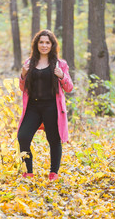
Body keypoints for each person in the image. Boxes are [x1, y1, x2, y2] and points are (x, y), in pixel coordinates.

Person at [17, 29, 73, 181]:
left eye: (47, 42)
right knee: (23, 136)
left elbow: (69, 88)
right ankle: (28, 172)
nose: (44, 45)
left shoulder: (60, 64)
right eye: (41, 42)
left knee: (54, 139)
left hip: (51, 107)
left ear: (52, 45)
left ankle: (53, 173)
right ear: (36, 44)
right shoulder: (29, 63)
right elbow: (23, 88)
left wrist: (62, 76)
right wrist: (22, 75)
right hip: (33, 107)